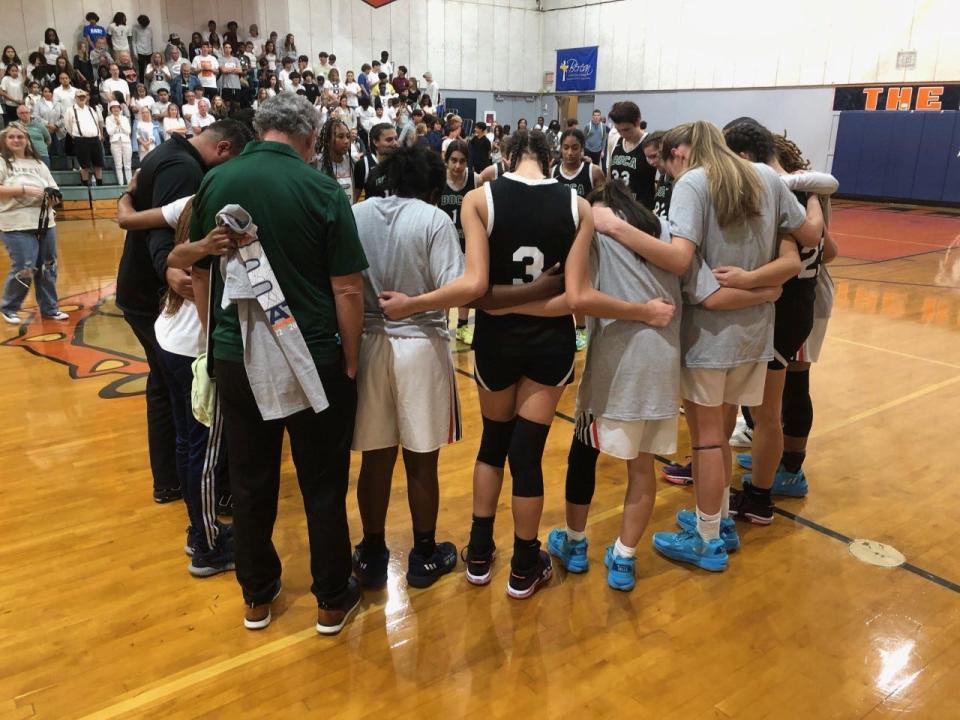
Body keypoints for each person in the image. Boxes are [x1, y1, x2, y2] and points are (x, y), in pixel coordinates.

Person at [179, 94, 367, 634]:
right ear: (309, 137)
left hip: (236, 354)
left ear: (261, 130)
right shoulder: (324, 188)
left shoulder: (217, 179)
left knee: (252, 479)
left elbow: (199, 269)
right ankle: (331, 598)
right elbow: (348, 287)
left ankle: (257, 598)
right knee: (323, 482)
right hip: (311, 356)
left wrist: (216, 342)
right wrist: (350, 360)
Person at [644, 121, 820, 571]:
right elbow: (807, 243)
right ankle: (718, 519)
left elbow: (687, 266)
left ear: (682, 151)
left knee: (706, 440)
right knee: (719, 436)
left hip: (708, 335)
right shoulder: (765, 176)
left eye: (668, 158)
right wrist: (763, 290)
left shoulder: (693, 184)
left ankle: (706, 540)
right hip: (755, 335)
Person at [456, 129, 594, 598]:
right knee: (528, 456)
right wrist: (538, 296)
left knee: (493, 445)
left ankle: (477, 554)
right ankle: (522, 565)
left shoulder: (478, 199)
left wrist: (502, 306)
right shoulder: (579, 206)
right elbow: (575, 297)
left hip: (496, 341)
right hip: (549, 343)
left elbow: (476, 291)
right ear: (553, 158)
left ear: (507, 156)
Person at [350, 144, 486, 588]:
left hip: (368, 343)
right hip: (421, 346)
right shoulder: (434, 219)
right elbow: (463, 288)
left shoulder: (358, 213)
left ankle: (371, 553)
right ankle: (424, 555)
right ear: (431, 185)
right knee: (421, 462)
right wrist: (413, 305)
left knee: (375, 459)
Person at [115, 119, 251, 504]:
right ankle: (207, 499)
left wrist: (127, 193)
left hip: (154, 305)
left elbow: (132, 217)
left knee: (166, 392)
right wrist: (170, 270)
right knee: (195, 416)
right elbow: (169, 236)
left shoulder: (168, 153)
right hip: (167, 304)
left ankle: (172, 483)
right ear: (223, 150)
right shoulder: (186, 171)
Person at [721, 122, 831, 521]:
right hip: (797, 306)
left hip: (780, 307)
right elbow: (825, 245)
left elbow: (812, 237)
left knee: (763, 410)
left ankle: (760, 496)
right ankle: (766, 480)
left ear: (744, 156)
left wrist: (749, 281)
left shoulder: (773, 189)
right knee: (765, 408)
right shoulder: (807, 188)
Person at [0, 123, 66, 325]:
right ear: (5, 140)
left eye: (20, 137)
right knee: (25, 266)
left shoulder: (38, 163)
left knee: (48, 266)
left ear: (27, 140)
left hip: (45, 221)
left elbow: (53, 187)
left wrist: (53, 196)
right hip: (15, 223)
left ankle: (50, 308)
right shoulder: (2, 162)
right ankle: (9, 307)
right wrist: (23, 190)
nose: (16, 140)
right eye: (12, 137)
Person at [554, 128, 606, 352]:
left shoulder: (593, 172)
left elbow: (604, 204)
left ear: (582, 149)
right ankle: (560, 323)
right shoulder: (552, 171)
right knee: (560, 283)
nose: (570, 152)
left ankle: (582, 328)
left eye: (575, 147)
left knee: (582, 283)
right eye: (566, 147)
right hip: (559, 235)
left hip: (583, 237)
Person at [436, 139, 479, 344]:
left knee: (466, 286)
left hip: (467, 241)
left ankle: (463, 326)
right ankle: (442, 324)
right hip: (444, 242)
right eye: (453, 160)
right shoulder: (437, 181)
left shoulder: (475, 179)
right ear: (446, 160)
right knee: (445, 286)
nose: (457, 166)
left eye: (462, 161)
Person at [607, 101, 657, 211]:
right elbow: (609, 175)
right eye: (619, 130)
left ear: (637, 122)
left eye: (626, 129)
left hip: (641, 210)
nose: (623, 134)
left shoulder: (650, 144)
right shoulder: (614, 140)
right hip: (618, 207)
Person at [64, 90, 104, 185]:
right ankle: (85, 186)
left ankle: (99, 185)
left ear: (86, 98)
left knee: (98, 164)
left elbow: (97, 123)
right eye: (79, 97)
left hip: (94, 139)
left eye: (83, 96)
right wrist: (75, 136)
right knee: (84, 165)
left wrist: (99, 135)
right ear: (75, 98)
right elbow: (67, 126)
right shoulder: (70, 110)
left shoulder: (91, 109)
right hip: (81, 140)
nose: (82, 98)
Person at [353, 122, 398, 202]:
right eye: (389, 140)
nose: (395, 143)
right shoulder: (364, 165)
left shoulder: (402, 162)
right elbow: (355, 198)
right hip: (374, 213)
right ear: (375, 142)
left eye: (396, 139)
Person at [316, 117, 355, 204]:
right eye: (340, 137)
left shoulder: (352, 163)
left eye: (348, 136)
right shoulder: (316, 164)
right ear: (328, 140)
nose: (346, 141)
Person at [34, 86, 65, 158]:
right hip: (44, 130)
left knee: (60, 151)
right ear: (42, 93)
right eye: (45, 91)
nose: (48, 93)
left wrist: (56, 125)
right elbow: (36, 116)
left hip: (58, 130)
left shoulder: (58, 104)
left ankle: (61, 168)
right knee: (46, 152)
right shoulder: (38, 104)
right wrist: (48, 124)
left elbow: (64, 117)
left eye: (49, 91)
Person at [132, 15, 154, 79]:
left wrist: (153, 51)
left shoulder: (150, 29)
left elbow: (151, 40)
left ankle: (150, 83)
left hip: (149, 52)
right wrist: (135, 53)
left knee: (150, 70)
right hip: (140, 52)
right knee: (141, 70)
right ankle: (141, 84)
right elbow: (133, 41)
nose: (145, 26)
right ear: (140, 23)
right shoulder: (135, 29)